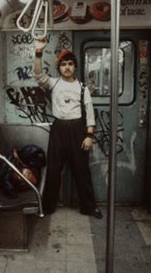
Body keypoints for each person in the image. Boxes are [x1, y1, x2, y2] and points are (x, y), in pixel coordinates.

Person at [33, 38, 102, 219]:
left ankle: (89, 207)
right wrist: (38, 53)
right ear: (59, 68)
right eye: (63, 64)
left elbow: (90, 113)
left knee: (82, 170)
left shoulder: (82, 88)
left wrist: (89, 136)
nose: (67, 67)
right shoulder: (54, 83)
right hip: (59, 129)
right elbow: (38, 76)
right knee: (54, 169)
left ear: (75, 67)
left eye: (70, 64)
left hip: (77, 129)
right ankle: (47, 206)